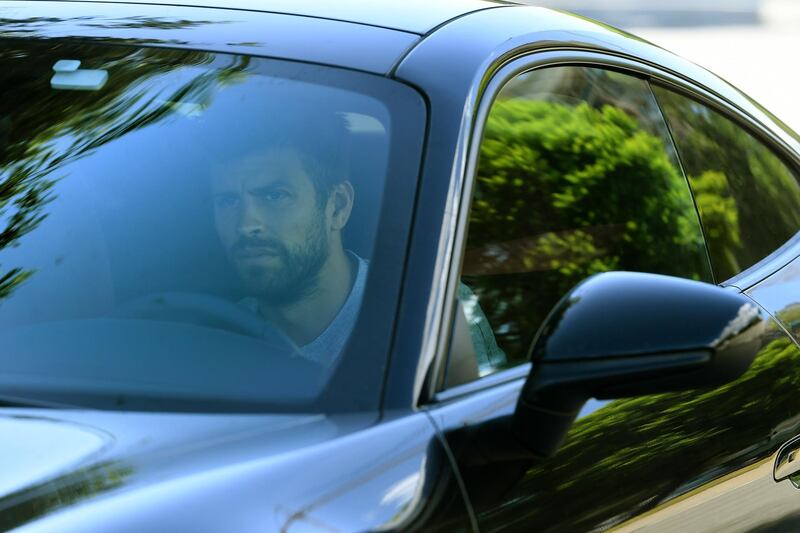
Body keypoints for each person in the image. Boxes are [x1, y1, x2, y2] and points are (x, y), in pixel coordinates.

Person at [211, 120, 366, 369]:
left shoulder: (420, 325)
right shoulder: (213, 339)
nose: (246, 224)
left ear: (338, 207)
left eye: (275, 195)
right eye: (228, 200)